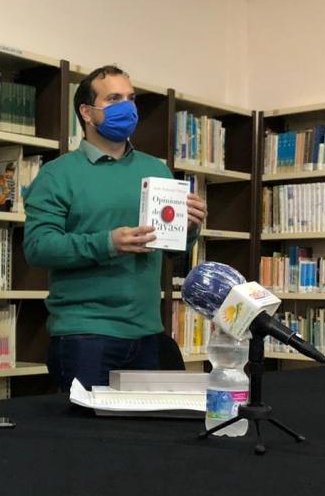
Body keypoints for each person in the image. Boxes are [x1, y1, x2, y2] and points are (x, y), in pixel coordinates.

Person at [23, 64, 206, 390]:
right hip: (85, 335)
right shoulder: (57, 174)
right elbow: (38, 247)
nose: (127, 107)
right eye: (114, 99)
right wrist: (108, 243)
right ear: (87, 112)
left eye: (131, 98)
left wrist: (189, 227)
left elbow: (173, 250)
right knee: (87, 424)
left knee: (150, 424)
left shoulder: (157, 170)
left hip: (148, 332)